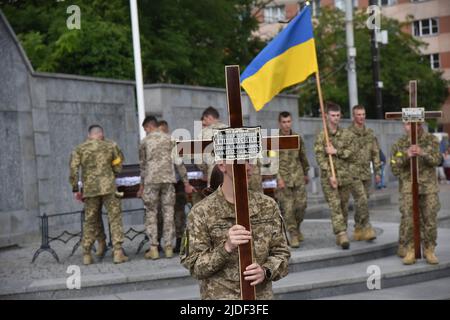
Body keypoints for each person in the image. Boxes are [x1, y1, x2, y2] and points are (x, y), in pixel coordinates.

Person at [180, 161, 290, 299]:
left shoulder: (267, 206)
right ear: (222, 165)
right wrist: (226, 248)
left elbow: (282, 253)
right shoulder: (201, 212)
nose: (249, 167)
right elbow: (194, 266)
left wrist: (265, 270)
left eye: (251, 161)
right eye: (242, 161)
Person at [69, 125, 128, 265]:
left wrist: (75, 189)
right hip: (109, 187)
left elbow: (73, 169)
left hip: (90, 189)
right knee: (114, 218)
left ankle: (87, 254)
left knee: (90, 220)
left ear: (89, 135)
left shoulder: (79, 148)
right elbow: (118, 165)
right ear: (102, 134)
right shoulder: (111, 145)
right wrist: (112, 171)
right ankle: (118, 252)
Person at [138, 116, 194, 260]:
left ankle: (154, 248)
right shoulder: (170, 139)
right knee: (168, 212)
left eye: (146, 130)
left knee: (151, 212)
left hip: (151, 181)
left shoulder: (145, 141)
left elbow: (143, 166)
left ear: (149, 127)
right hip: (168, 181)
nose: (146, 132)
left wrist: (141, 186)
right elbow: (179, 163)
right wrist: (186, 183)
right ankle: (169, 247)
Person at [390, 122, 441, 265]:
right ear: (403, 126)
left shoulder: (431, 140)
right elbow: (394, 166)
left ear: (422, 125)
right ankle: (410, 250)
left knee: (430, 219)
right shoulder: (399, 144)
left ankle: (429, 250)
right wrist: (406, 155)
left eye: (417, 124)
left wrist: (422, 153)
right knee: (409, 220)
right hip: (408, 188)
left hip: (428, 188)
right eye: (408, 124)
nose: (413, 127)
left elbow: (438, 160)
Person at [314, 102, 355, 249]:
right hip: (329, 178)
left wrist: (336, 151)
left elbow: (352, 153)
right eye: (332, 115)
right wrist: (329, 174)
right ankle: (342, 233)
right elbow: (319, 157)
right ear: (326, 116)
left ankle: (340, 232)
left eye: (337, 115)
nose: (335, 118)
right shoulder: (322, 136)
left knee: (343, 206)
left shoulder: (346, 134)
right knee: (335, 205)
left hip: (345, 176)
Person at [276, 111, 310, 248]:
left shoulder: (297, 137)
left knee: (301, 207)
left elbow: (303, 157)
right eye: (284, 122)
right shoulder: (275, 139)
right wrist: (278, 178)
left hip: (298, 177)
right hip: (283, 180)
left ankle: (297, 227)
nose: (286, 124)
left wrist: (306, 172)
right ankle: (293, 234)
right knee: (287, 209)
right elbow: (271, 161)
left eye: (288, 121)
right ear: (279, 123)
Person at [346, 105, 380, 241]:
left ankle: (358, 227)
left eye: (363, 114)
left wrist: (377, 172)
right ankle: (367, 227)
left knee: (362, 202)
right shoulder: (347, 133)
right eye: (358, 114)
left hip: (366, 173)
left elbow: (375, 152)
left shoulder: (370, 133)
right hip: (352, 173)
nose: (361, 117)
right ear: (354, 116)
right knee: (362, 199)